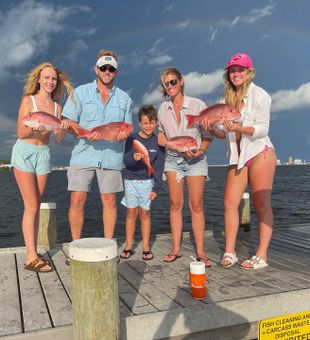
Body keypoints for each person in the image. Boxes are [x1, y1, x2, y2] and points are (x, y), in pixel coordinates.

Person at [203, 52, 276, 269]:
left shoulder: (261, 95)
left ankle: (261, 255)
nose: (236, 74)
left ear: (249, 72)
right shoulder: (224, 100)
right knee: (229, 203)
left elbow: (263, 129)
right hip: (237, 156)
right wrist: (211, 126)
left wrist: (239, 128)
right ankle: (230, 251)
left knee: (261, 204)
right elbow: (220, 133)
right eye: (232, 70)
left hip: (259, 152)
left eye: (240, 70)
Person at [61, 49, 132, 246]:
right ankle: (75, 245)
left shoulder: (125, 99)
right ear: (96, 69)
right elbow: (68, 122)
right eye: (103, 67)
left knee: (109, 201)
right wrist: (83, 132)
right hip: (82, 155)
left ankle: (109, 245)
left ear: (116, 72)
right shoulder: (79, 92)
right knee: (77, 200)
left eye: (111, 68)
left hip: (112, 157)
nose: (107, 71)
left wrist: (123, 134)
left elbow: (127, 128)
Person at [11, 62, 74, 272]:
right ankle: (31, 257)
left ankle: (33, 250)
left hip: (43, 155)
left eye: (54, 79)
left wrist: (62, 126)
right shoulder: (28, 101)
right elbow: (21, 133)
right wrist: (34, 129)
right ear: (38, 79)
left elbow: (58, 138)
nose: (50, 82)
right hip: (24, 153)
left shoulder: (58, 107)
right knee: (30, 205)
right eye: (46, 77)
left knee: (36, 204)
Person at [157, 67, 213, 267]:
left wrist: (201, 150)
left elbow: (207, 136)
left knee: (196, 206)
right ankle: (176, 249)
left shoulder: (198, 105)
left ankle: (200, 252)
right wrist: (170, 144)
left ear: (181, 82)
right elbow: (161, 135)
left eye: (173, 82)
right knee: (175, 205)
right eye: (166, 83)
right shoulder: (163, 109)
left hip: (196, 161)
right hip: (173, 160)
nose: (170, 86)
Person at [119, 105, 165, 261]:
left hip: (148, 182)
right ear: (139, 123)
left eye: (152, 123)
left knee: (145, 214)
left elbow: (159, 167)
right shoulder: (131, 138)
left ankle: (145, 246)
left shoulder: (158, 141)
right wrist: (133, 158)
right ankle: (129, 245)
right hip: (131, 180)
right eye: (145, 123)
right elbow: (126, 161)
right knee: (131, 213)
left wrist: (156, 187)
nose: (148, 126)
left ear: (157, 122)